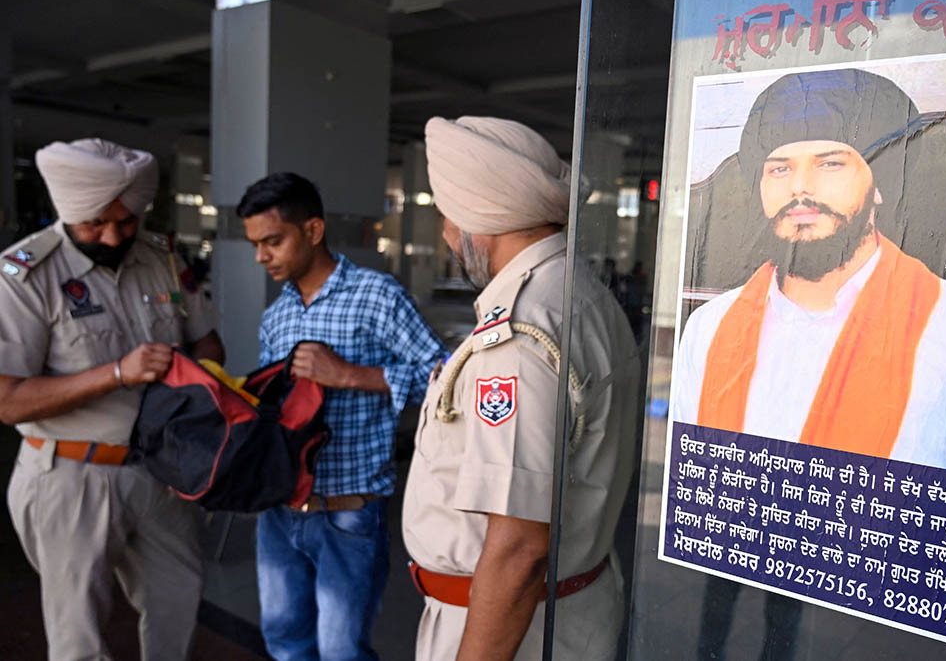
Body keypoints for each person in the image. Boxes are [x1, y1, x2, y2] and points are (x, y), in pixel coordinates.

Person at [671, 68, 946, 480]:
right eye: (780, 169)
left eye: (831, 164)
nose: (801, 188)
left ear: (880, 184)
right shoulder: (709, 328)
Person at [403, 116, 641, 660]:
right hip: (564, 611)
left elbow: (518, 549)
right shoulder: (583, 295)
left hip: (508, 627)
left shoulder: (520, 334)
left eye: (446, 214)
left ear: (474, 219)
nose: (445, 234)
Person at [0, 138, 224, 660]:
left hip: (160, 470)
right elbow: (8, 401)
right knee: (78, 633)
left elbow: (207, 340)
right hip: (70, 476)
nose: (112, 235)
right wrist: (117, 373)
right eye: (95, 224)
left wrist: (196, 374)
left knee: (178, 601)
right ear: (68, 210)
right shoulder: (23, 275)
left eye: (126, 222)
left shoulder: (161, 258)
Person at [237, 172, 445, 661]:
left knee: (341, 652)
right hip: (279, 510)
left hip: (349, 513)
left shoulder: (378, 296)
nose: (261, 257)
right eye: (255, 245)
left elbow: (444, 379)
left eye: (272, 241)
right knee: (285, 642)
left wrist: (351, 375)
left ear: (312, 231)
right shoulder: (278, 315)